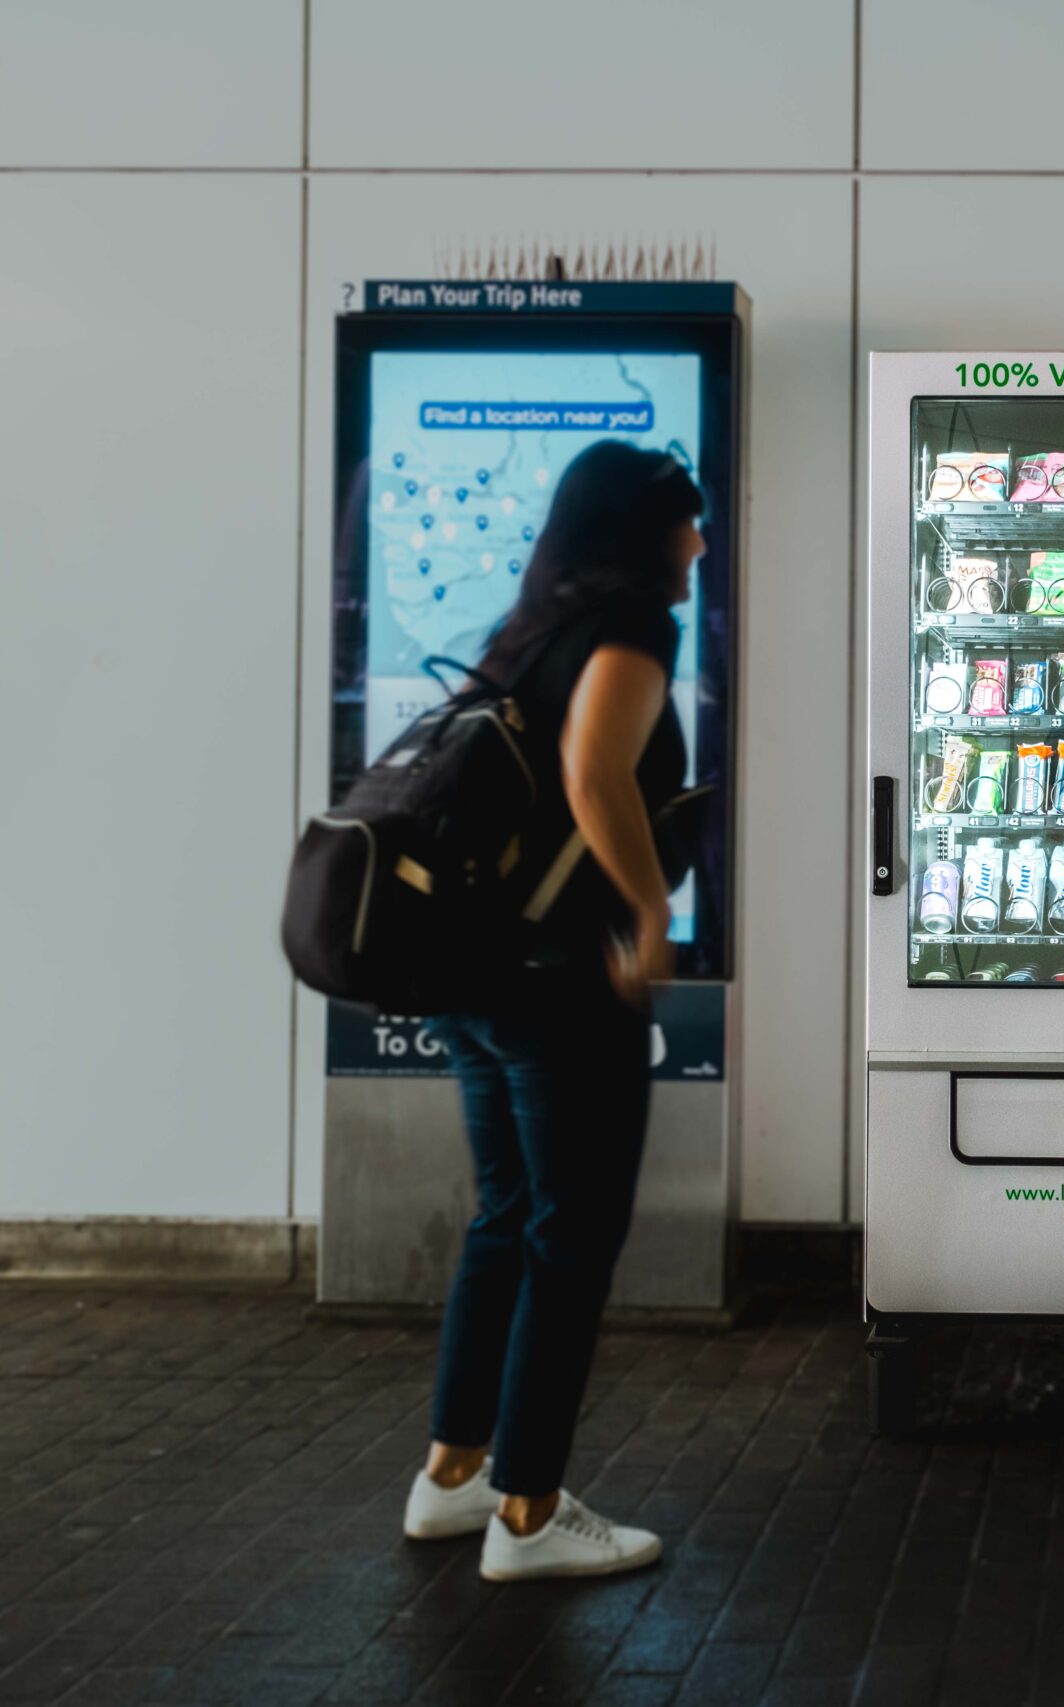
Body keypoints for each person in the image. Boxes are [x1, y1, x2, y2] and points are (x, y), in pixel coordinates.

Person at [397, 440, 703, 1581]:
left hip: (475, 980)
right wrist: (647, 913)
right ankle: (527, 1516)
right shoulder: (634, 628)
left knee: (506, 1220)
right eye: (686, 522)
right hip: (556, 983)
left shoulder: (524, 634)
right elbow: (594, 773)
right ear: (639, 533)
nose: (699, 543)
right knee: (570, 1241)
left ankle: (453, 1473)